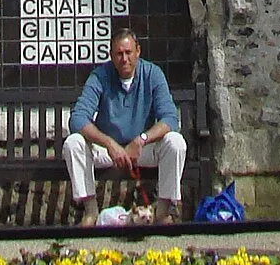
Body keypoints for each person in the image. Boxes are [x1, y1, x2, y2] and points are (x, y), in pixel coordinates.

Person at [63, 25, 188, 226]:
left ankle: (163, 212)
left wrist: (142, 140)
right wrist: (110, 144)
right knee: (73, 143)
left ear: (137, 51)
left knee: (176, 142)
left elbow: (170, 119)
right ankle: (90, 212)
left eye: (128, 52)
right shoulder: (100, 76)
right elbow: (78, 119)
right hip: (108, 151)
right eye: (119, 54)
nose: (124, 59)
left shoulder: (152, 74)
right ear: (111, 55)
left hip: (141, 149)